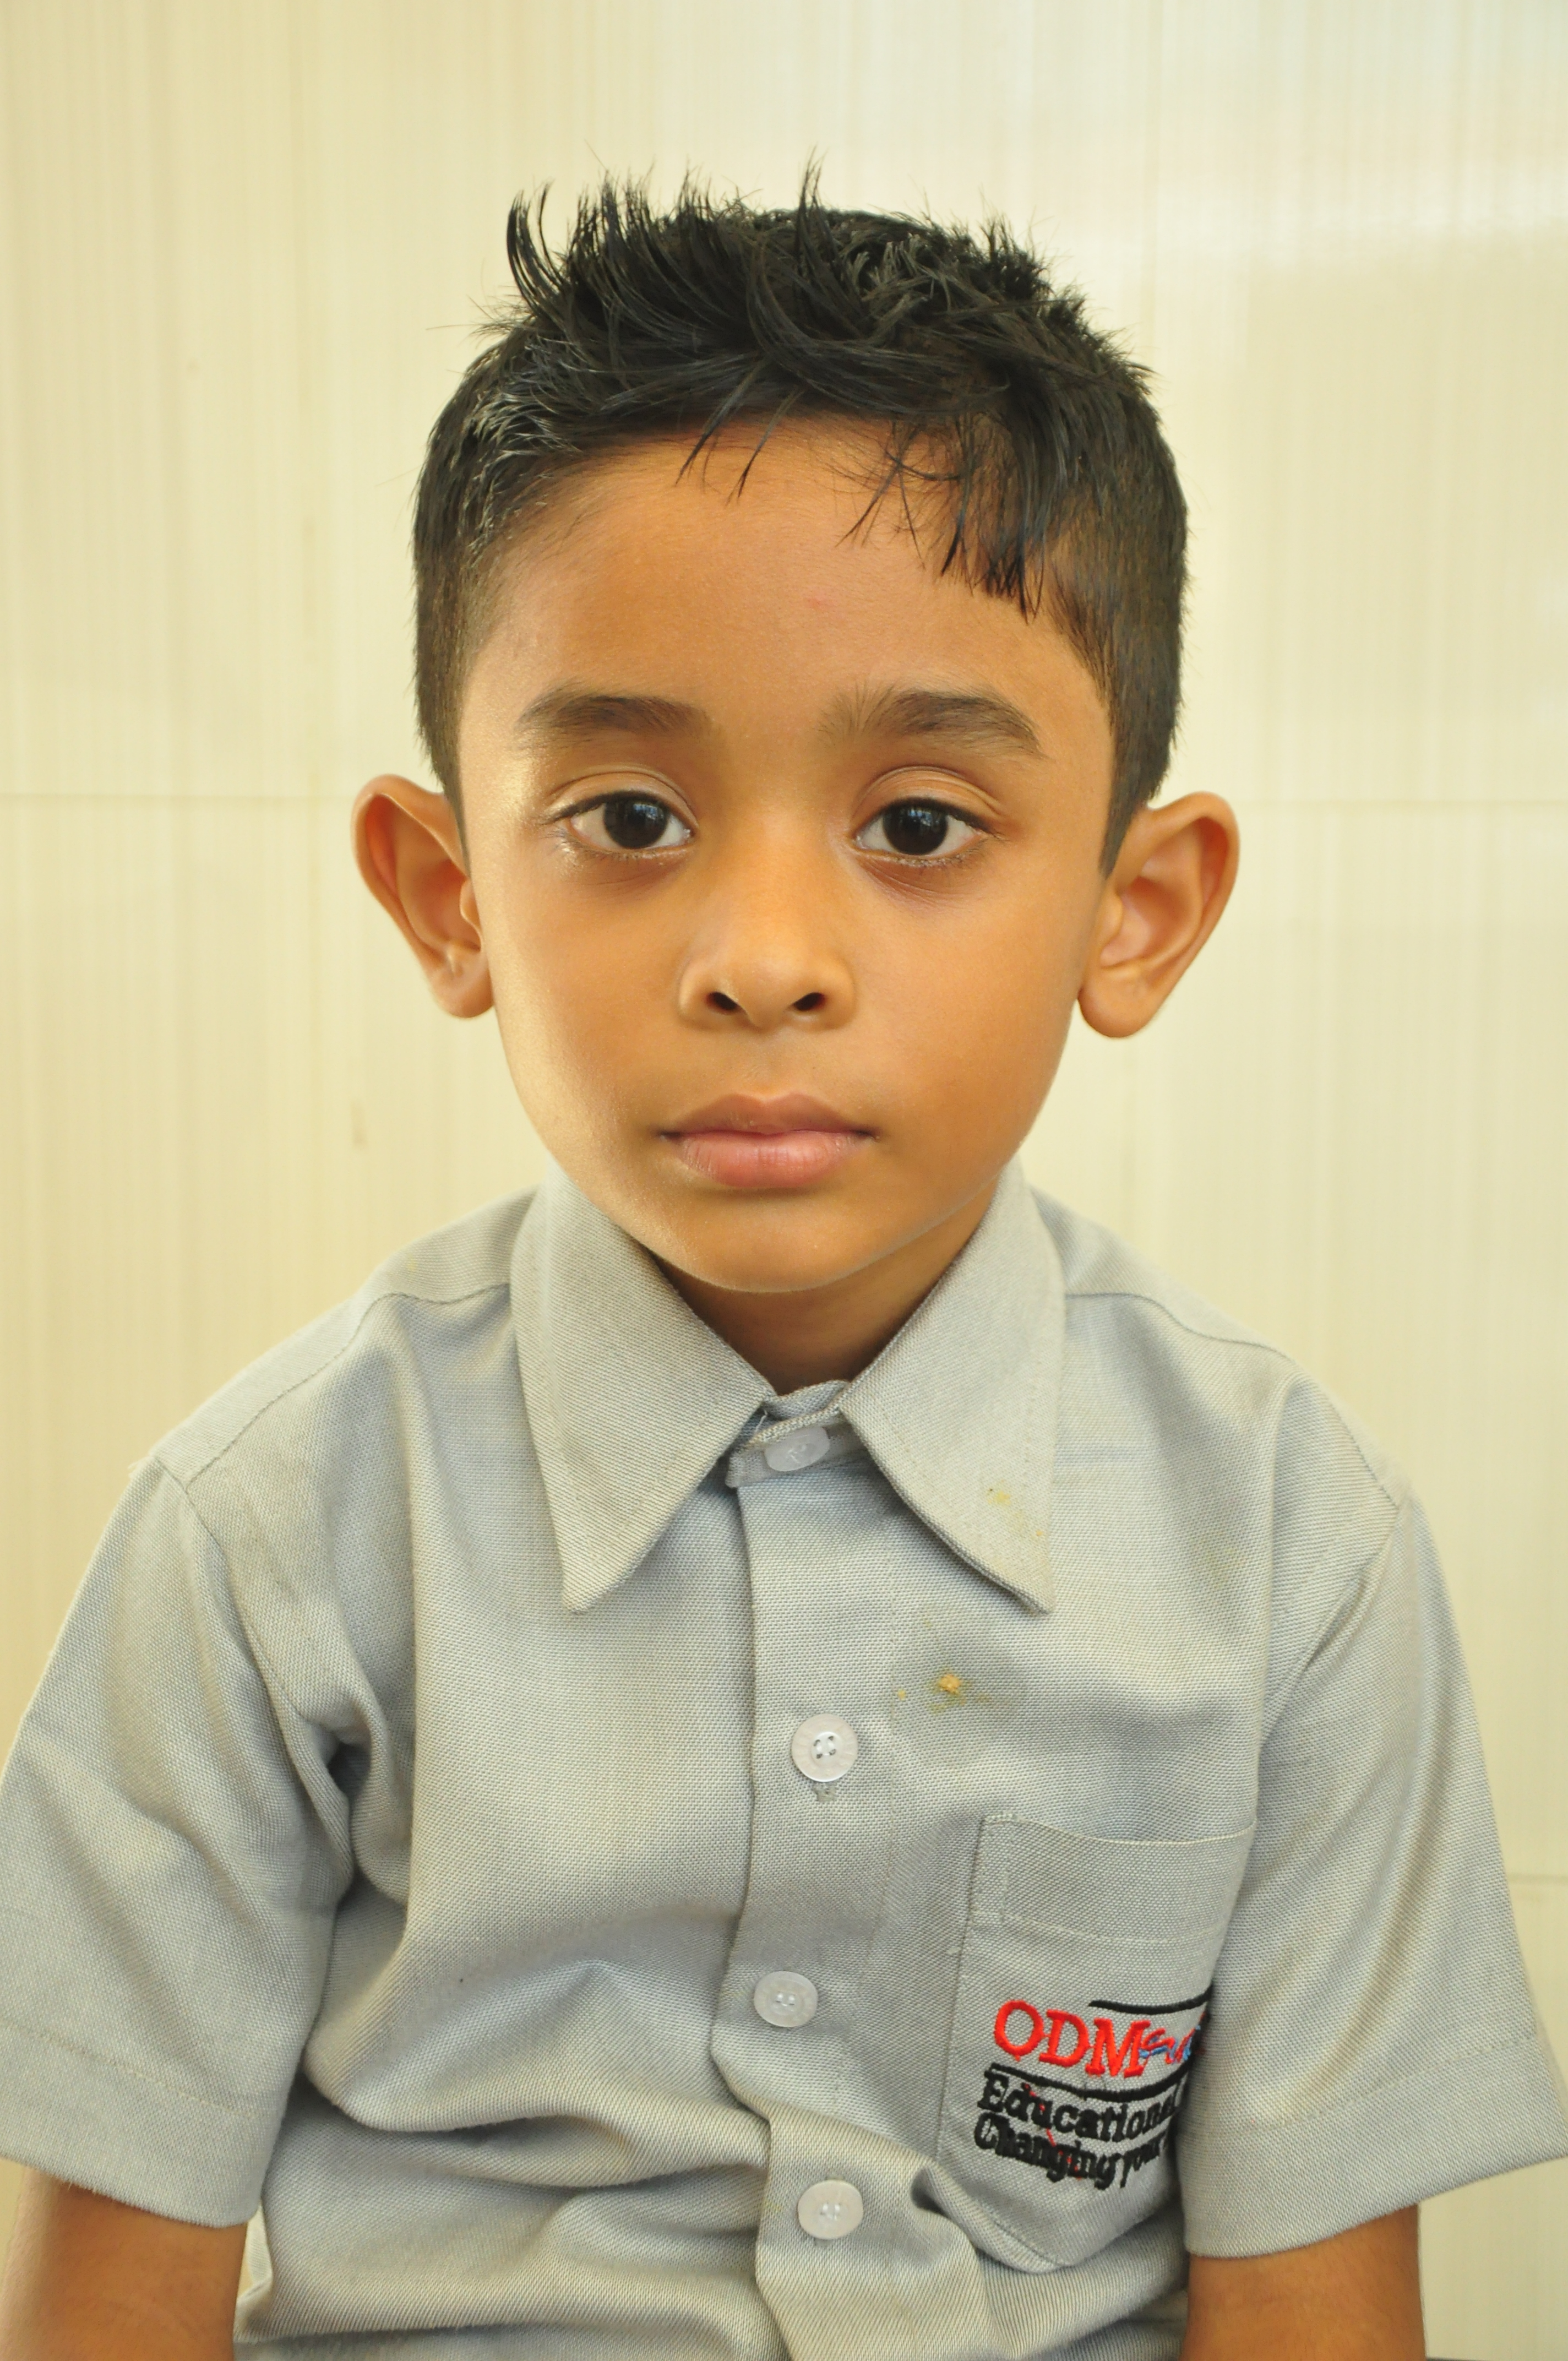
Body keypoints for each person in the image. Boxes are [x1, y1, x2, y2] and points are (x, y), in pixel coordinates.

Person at [0, 177, 1562, 2361]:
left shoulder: (1294, 1548)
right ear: (447, 896)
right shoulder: (261, 1540)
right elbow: (104, 2309)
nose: (760, 961)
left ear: (1134, 912)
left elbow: (1315, 2322)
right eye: (629, 819)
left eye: (918, 826)